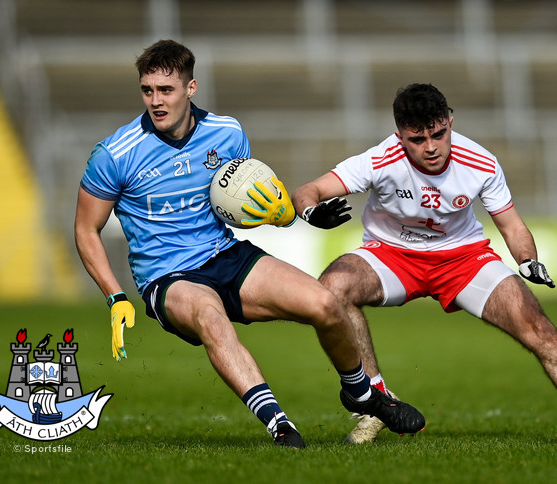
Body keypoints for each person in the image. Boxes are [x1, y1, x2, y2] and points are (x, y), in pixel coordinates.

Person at [73, 40, 425, 448]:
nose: (155, 100)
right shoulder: (115, 154)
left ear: (191, 88)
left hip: (226, 255)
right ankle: (280, 425)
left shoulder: (227, 133)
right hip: (167, 276)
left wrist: (296, 215)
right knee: (210, 317)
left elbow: (248, 203)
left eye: (166, 90)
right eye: (147, 90)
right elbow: (86, 229)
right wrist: (115, 296)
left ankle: (361, 395)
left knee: (325, 304)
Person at [292, 83, 557, 444]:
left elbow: (513, 226)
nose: (431, 147)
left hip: (463, 259)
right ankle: (376, 403)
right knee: (332, 288)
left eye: (438, 134)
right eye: (417, 139)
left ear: (450, 121)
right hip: (391, 255)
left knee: (538, 327)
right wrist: (311, 211)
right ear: (399, 135)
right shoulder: (380, 159)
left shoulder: (480, 162)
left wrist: (527, 260)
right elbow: (308, 191)